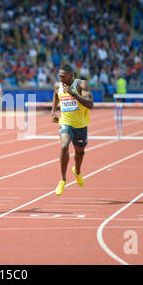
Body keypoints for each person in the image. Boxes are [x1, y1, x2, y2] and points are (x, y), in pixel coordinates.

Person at [51, 64, 94, 196]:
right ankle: (63, 180)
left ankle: (78, 171)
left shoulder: (82, 85)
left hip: (81, 126)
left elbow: (90, 104)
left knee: (79, 153)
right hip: (66, 123)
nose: (61, 78)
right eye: (59, 76)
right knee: (64, 146)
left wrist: (74, 94)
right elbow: (56, 95)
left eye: (63, 76)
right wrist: (53, 111)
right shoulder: (58, 86)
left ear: (71, 75)